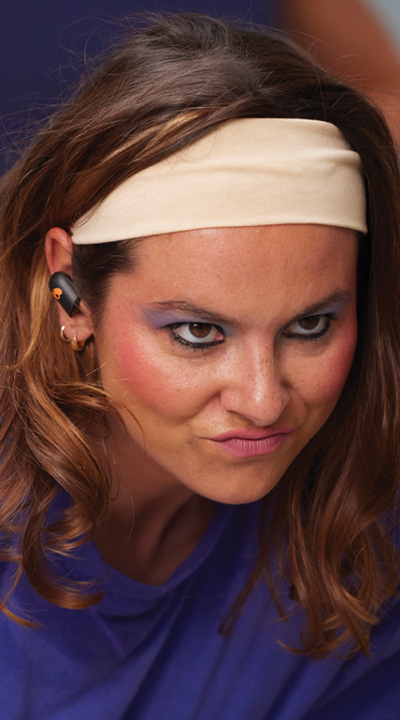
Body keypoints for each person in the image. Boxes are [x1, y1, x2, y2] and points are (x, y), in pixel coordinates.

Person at [0, 13, 399, 720]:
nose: (262, 400)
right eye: (196, 331)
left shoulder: (367, 512)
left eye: (311, 325)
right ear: (71, 291)